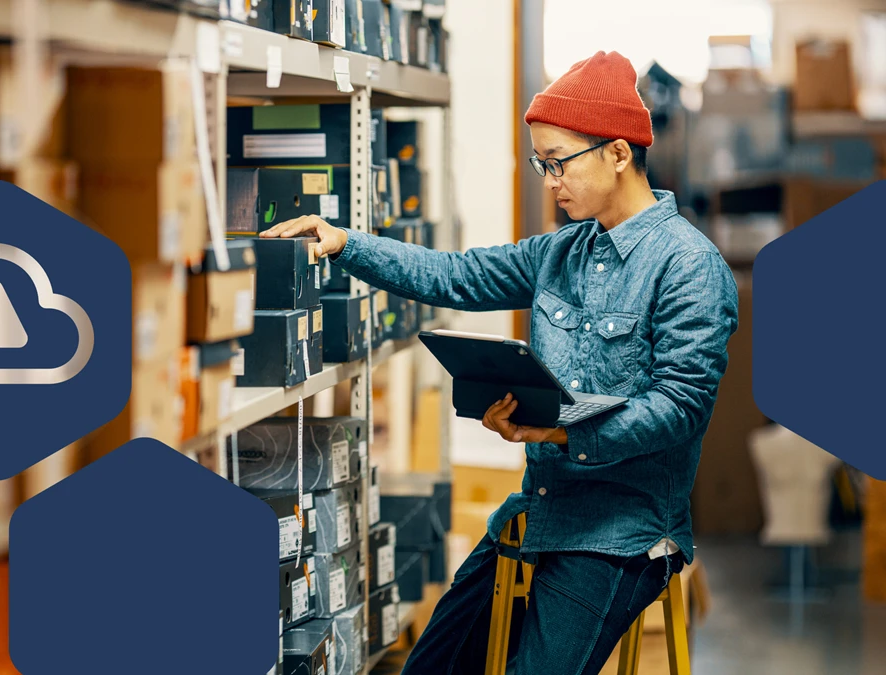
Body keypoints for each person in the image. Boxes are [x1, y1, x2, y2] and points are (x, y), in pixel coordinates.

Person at [260, 51, 739, 674]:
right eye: (542, 164)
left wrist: (559, 431)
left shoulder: (689, 267)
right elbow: (455, 276)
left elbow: (679, 409)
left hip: (621, 532)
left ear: (619, 153)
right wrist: (346, 243)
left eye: (558, 162)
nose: (550, 181)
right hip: (539, 510)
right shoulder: (560, 252)